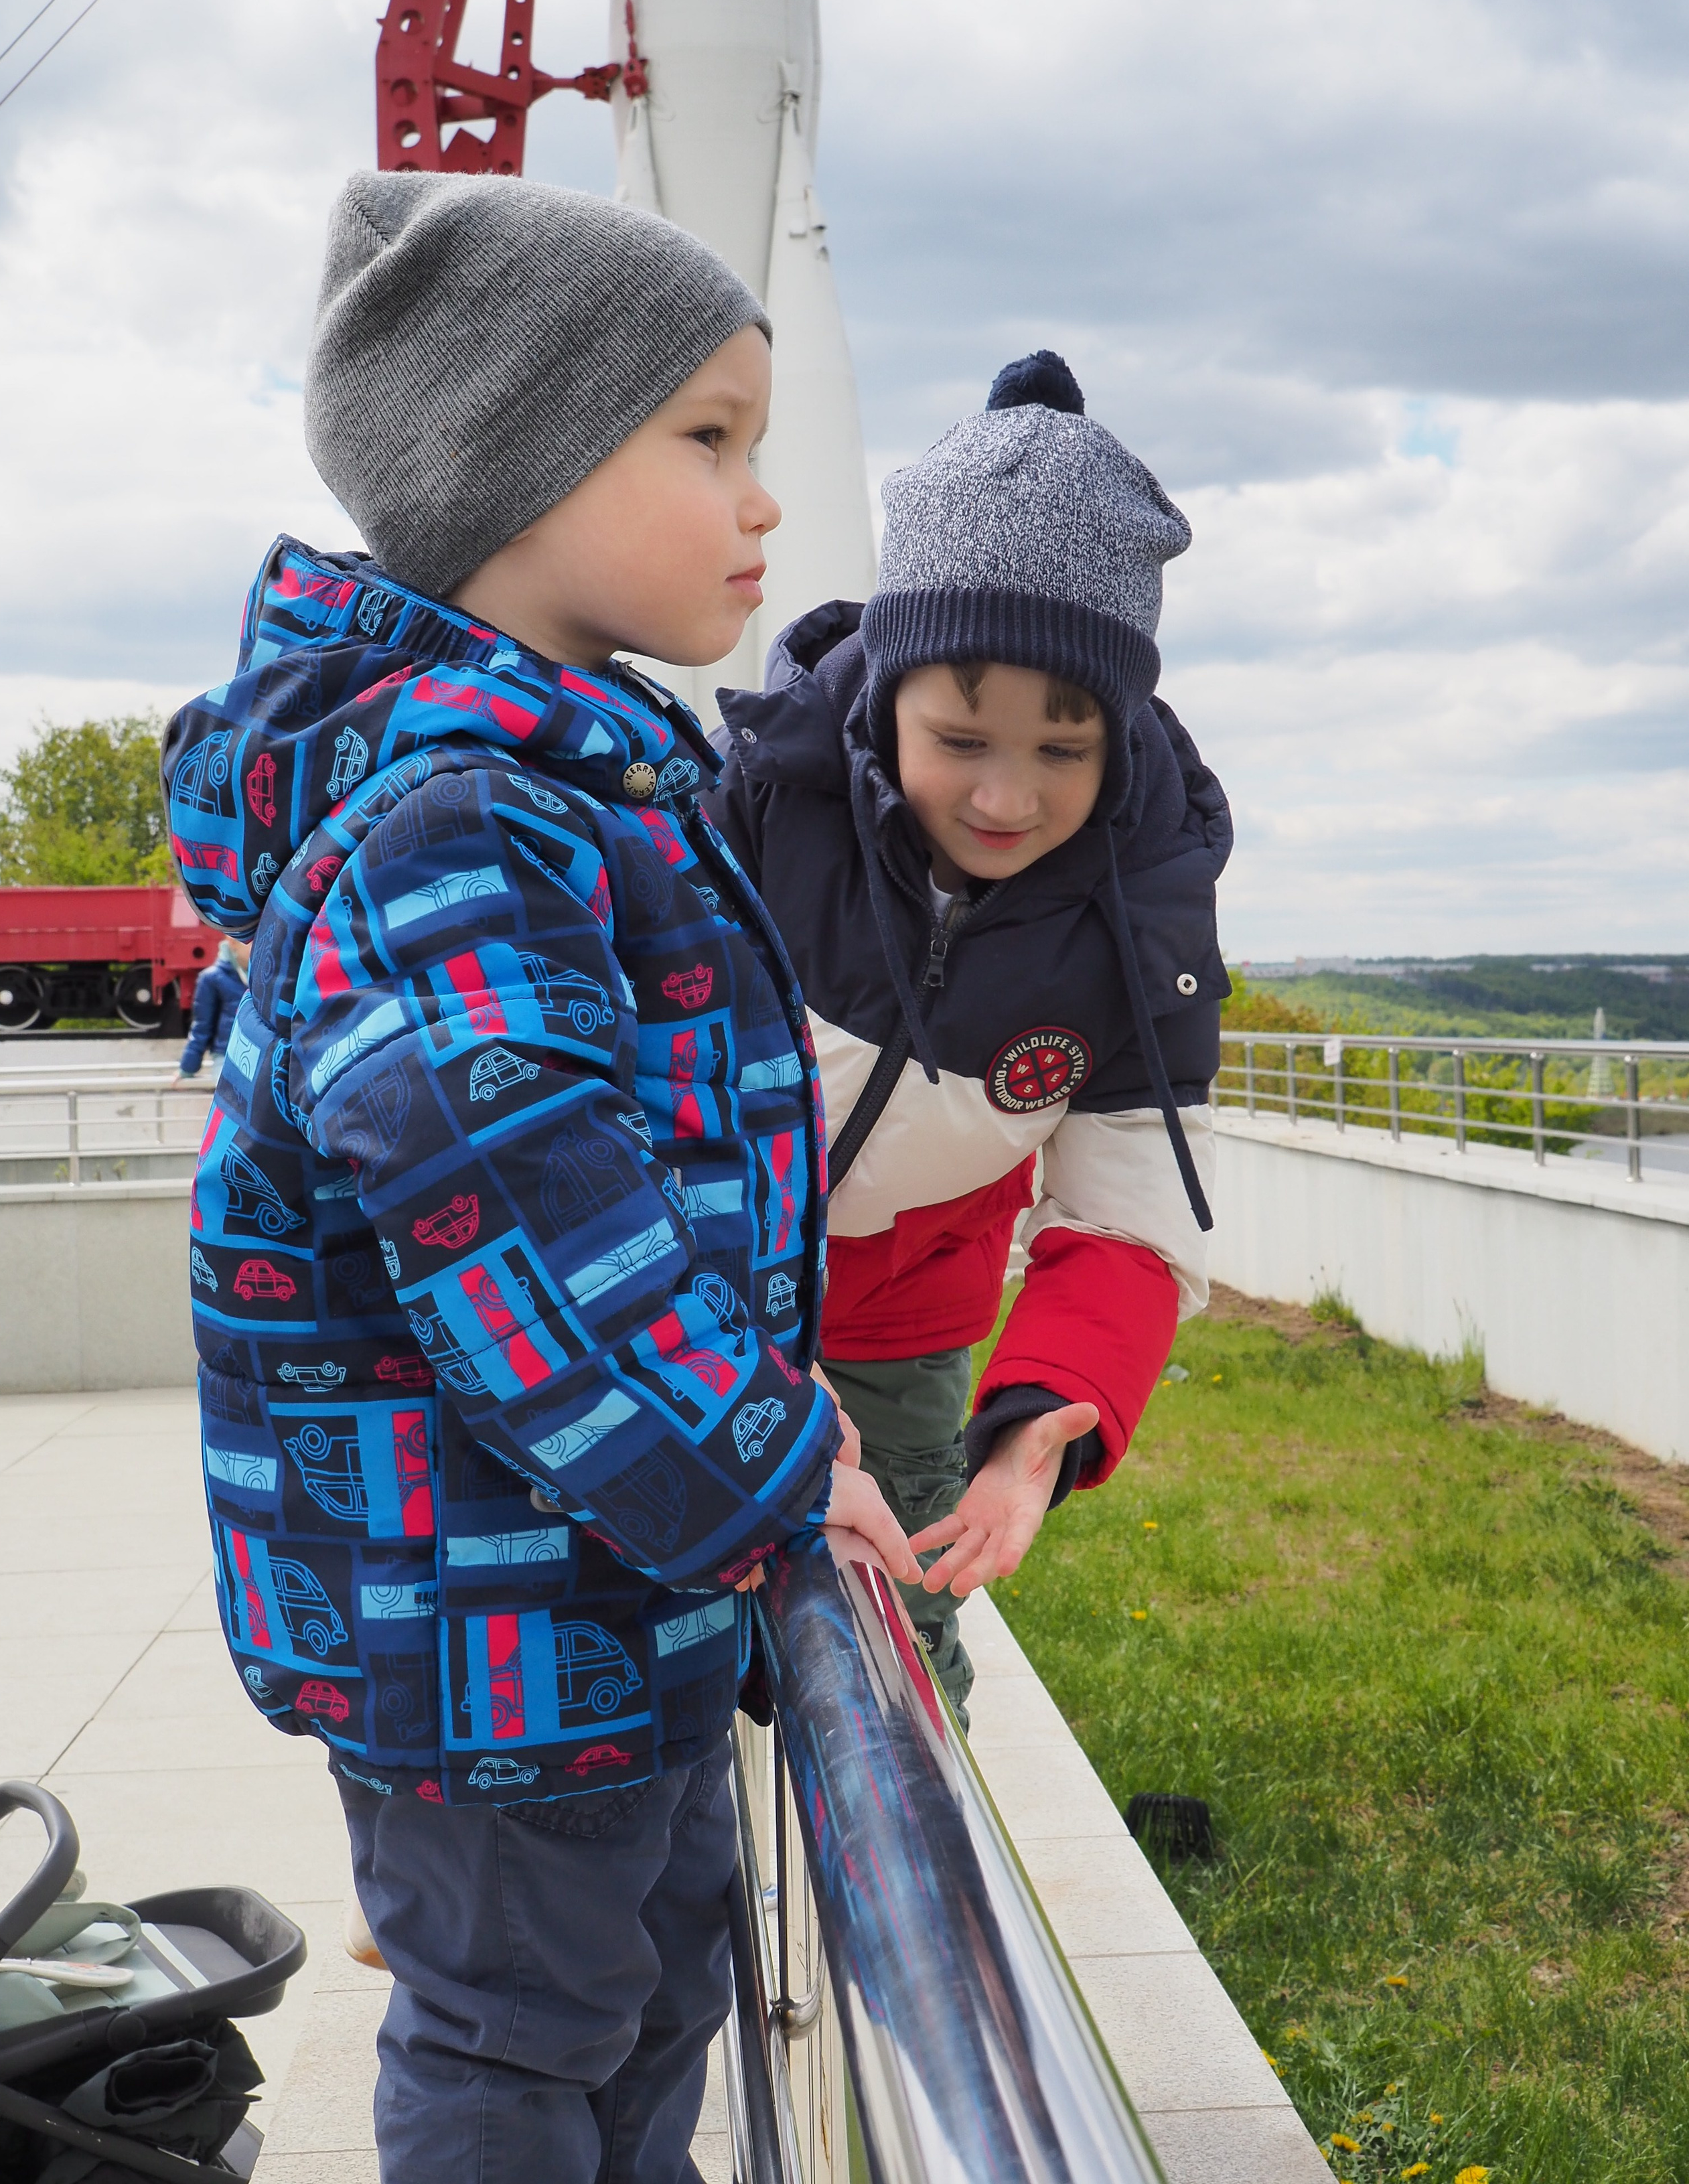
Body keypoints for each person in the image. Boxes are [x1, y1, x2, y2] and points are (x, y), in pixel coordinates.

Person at [163, 171, 916, 2184]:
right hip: (476, 1629)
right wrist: (780, 1466)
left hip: (588, 1589)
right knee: (521, 2032)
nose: (762, 500)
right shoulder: (455, 824)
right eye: (707, 437)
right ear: (518, 459)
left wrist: (756, 1458)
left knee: (654, 1989)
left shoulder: (568, 779)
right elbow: (544, 1250)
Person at [705, 350, 1231, 1722]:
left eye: (1065, 750)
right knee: (660, 1628)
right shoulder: (761, 800)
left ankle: (915, 1914)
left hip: (901, 1335)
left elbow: (1125, 1214)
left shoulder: (1144, 912)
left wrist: (1038, 1426)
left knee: (891, 1654)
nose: (1006, 796)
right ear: (882, 695)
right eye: (960, 736)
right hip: (689, 1302)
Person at [173, 936, 248, 1081]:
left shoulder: (265, 975)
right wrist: (187, 1068)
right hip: (227, 1057)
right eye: (250, 942)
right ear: (232, 943)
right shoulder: (212, 978)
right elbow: (202, 1028)